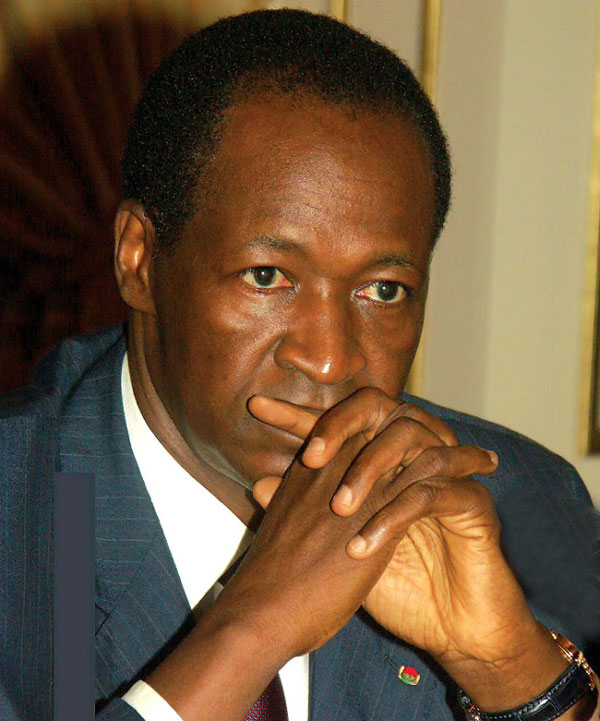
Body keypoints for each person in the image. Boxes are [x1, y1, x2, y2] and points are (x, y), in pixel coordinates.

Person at [1, 8, 598, 721]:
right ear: (139, 260)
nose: (329, 358)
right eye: (267, 277)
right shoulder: (21, 517)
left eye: (383, 290)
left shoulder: (520, 504)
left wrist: (509, 670)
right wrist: (254, 627)